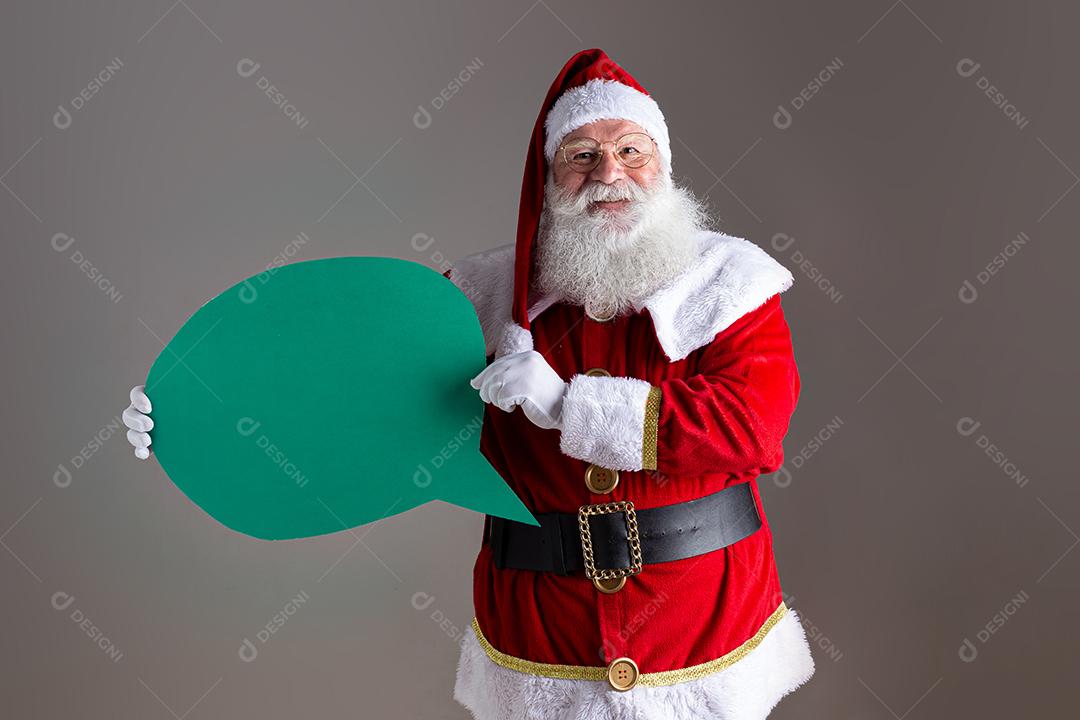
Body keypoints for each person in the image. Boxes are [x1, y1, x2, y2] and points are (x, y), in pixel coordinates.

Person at [123, 48, 815, 720]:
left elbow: (752, 425)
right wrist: (193, 419)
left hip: (702, 625)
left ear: (663, 166)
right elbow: (357, 407)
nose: (611, 172)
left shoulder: (732, 285)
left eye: (632, 150)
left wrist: (566, 404)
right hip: (539, 632)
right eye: (582, 155)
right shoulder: (478, 298)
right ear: (548, 179)